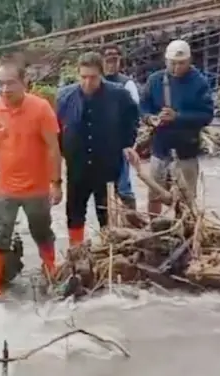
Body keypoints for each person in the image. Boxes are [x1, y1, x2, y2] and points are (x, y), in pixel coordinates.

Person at [0, 61, 62, 299]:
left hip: (38, 187)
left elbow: (54, 148)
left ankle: (51, 271)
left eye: (10, 83)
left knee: (42, 232)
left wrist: (56, 183)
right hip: (4, 189)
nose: (4, 89)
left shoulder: (41, 109)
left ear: (25, 82)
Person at [57, 52, 139, 246]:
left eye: (92, 77)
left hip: (108, 167)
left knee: (107, 213)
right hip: (77, 167)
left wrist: (128, 144)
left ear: (101, 75)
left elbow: (132, 120)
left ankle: (110, 251)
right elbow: (57, 129)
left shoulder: (119, 95)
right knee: (75, 212)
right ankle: (76, 251)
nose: (87, 82)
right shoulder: (65, 98)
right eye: (83, 77)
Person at [139, 39, 215, 215]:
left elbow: (206, 115)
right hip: (160, 148)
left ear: (189, 61)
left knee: (186, 198)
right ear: (166, 61)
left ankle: (184, 231)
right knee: (155, 194)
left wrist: (178, 117)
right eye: (172, 63)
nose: (176, 68)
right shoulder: (155, 80)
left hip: (186, 150)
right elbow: (143, 106)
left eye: (181, 63)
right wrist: (150, 118)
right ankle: (155, 228)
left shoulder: (199, 83)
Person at [101, 44, 140, 210]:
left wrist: (128, 142)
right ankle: (107, 228)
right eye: (108, 61)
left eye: (114, 60)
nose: (111, 64)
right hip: (99, 143)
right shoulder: (95, 82)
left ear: (119, 62)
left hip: (120, 142)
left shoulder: (127, 84)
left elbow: (134, 115)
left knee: (123, 188)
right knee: (100, 191)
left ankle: (132, 222)